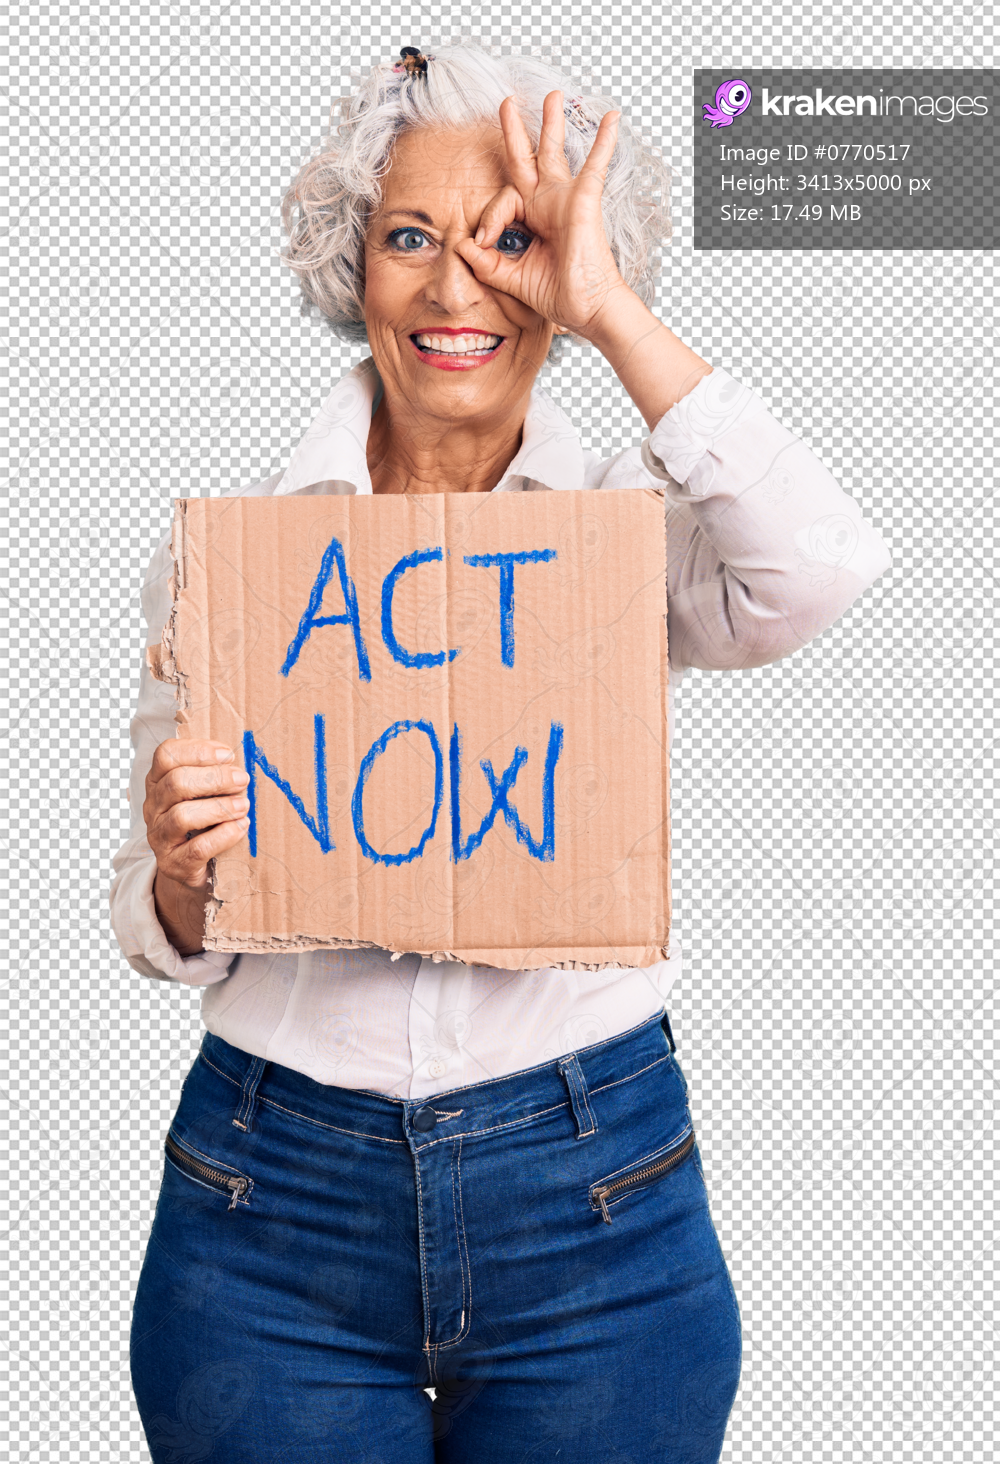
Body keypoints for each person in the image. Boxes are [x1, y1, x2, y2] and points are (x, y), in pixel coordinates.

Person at [112, 42, 892, 1463]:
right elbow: (161, 927)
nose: (456, 288)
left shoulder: (628, 533)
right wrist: (178, 869)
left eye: (511, 241)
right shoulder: (241, 556)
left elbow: (820, 567)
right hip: (271, 1210)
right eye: (411, 237)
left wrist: (612, 310)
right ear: (353, 264)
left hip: (594, 1201)